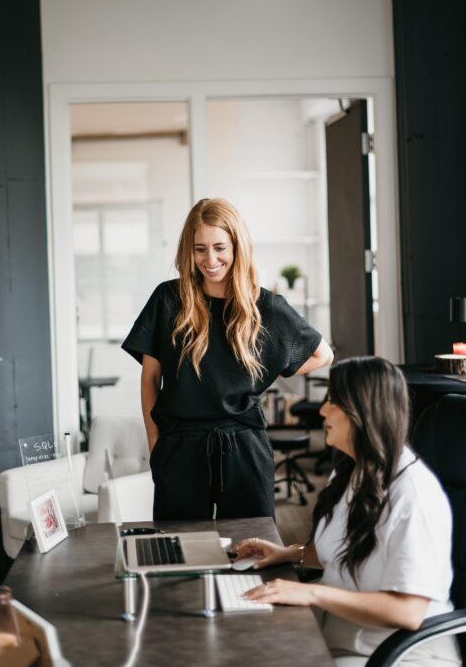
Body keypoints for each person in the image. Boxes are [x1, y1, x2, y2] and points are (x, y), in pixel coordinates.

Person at [232, 356, 461, 666]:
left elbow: (408, 612)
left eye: (333, 402)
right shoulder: (350, 472)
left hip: (394, 653)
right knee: (239, 636)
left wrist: (313, 595)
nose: (323, 410)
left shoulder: (413, 494)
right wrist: (288, 554)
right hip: (338, 631)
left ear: (363, 411)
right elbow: (340, 551)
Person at [122, 197, 333, 521]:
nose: (211, 259)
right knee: (180, 554)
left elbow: (323, 354)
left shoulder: (265, 306)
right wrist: (155, 446)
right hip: (179, 448)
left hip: (243, 446)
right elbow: (150, 379)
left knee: (252, 549)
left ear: (237, 246)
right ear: (188, 251)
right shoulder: (168, 299)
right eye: (200, 248)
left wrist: (273, 371)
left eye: (220, 247)